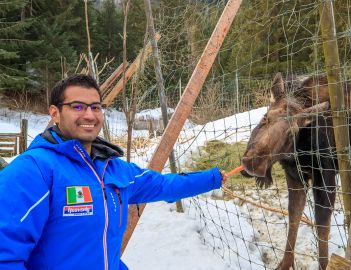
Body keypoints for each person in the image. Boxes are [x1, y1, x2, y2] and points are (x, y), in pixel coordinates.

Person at [0, 74, 228, 270]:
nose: (89, 115)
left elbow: (164, 185)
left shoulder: (113, 168)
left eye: (96, 107)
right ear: (55, 113)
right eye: (78, 106)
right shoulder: (33, 171)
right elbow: (5, 256)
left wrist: (213, 178)